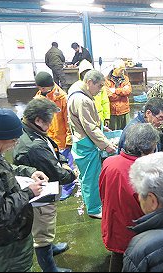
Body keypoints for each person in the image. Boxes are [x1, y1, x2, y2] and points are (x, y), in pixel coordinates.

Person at [13, 98, 76, 272]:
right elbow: (60, 174)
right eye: (49, 121)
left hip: (41, 189)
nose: (51, 125)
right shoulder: (34, 146)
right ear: (39, 120)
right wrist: (70, 172)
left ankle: (50, 247)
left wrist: (62, 162)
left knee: (46, 227)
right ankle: (49, 268)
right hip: (41, 196)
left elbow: (55, 151)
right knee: (42, 233)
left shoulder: (31, 131)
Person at [0, 108, 46, 272]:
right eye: (14, 141)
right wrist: (28, 193)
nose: (15, 145)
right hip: (6, 246)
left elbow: (3, 167)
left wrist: (29, 171)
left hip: (11, 238)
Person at [99, 123, 159, 272]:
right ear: (147, 150)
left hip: (113, 225)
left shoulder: (109, 162)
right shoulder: (145, 174)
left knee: (117, 258)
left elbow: (102, 192)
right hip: (134, 233)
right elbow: (151, 209)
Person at [67, 70, 116, 219]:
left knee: (85, 176)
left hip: (79, 139)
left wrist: (102, 128)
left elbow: (87, 121)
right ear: (89, 83)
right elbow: (89, 127)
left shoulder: (76, 89)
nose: (101, 90)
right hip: (86, 144)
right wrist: (106, 144)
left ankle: (91, 202)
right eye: (99, 86)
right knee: (91, 177)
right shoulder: (83, 100)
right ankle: (94, 209)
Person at [34, 71, 75, 201]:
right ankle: (53, 187)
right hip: (47, 138)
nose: (41, 90)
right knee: (51, 164)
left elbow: (68, 120)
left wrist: (69, 139)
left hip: (61, 138)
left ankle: (68, 188)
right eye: (39, 88)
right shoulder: (38, 98)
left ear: (50, 85)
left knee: (66, 165)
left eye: (43, 87)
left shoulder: (62, 98)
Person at [69, 60, 111, 128]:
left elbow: (105, 101)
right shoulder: (78, 90)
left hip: (99, 117)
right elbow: (89, 128)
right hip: (87, 121)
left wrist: (107, 117)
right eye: (84, 73)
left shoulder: (99, 85)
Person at [105, 59, 132, 130]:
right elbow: (109, 96)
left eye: (123, 70)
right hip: (113, 112)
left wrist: (114, 90)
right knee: (114, 134)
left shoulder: (125, 79)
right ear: (114, 69)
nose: (123, 72)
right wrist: (122, 93)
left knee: (127, 132)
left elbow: (128, 91)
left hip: (125, 111)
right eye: (121, 70)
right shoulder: (106, 80)